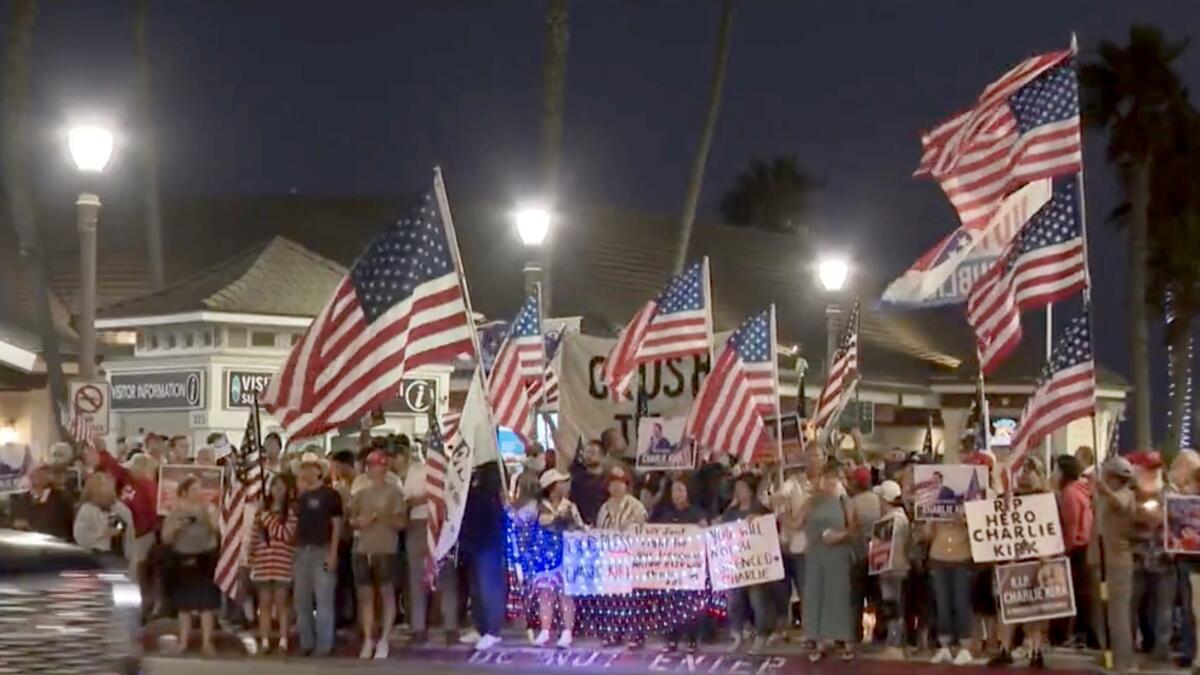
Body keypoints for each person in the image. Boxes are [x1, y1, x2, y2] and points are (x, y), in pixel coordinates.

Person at [991, 458, 1051, 668]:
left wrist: (1048, 559)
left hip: (1037, 562)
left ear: (1040, 475)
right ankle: (1004, 648)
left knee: (1034, 608)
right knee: (1006, 608)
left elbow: (1054, 533)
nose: (1025, 475)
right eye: (1022, 471)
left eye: (1030, 470)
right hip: (1009, 562)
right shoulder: (1004, 500)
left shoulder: (1046, 501)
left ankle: (1036, 650)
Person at [350, 450, 406, 659]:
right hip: (363, 548)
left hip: (386, 548)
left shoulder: (394, 492)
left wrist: (381, 517)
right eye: (371, 465)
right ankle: (368, 639)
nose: (374, 468)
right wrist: (359, 522)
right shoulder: (361, 494)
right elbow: (351, 519)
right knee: (365, 596)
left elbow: (401, 523)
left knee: (386, 593)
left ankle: (384, 639)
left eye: (378, 465)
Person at [800, 459, 857, 662]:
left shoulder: (844, 500)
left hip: (837, 554)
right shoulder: (811, 502)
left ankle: (843, 639)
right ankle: (817, 639)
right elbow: (796, 522)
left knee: (838, 595)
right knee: (815, 595)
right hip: (815, 554)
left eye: (837, 479)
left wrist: (839, 536)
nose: (832, 483)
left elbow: (853, 529)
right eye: (828, 479)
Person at [162, 475, 222, 656]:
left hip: (205, 558)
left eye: (200, 488)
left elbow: (217, 533)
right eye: (194, 489)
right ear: (184, 492)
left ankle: (207, 643)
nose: (199, 492)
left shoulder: (209, 509)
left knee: (206, 604)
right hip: (182, 557)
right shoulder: (175, 512)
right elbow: (165, 538)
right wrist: (175, 527)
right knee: (184, 605)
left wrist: (212, 520)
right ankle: (183, 642)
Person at [1089, 456, 1138, 673]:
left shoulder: (1127, 496)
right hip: (1100, 560)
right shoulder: (1103, 498)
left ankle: (1123, 660)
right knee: (1103, 611)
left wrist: (1104, 491)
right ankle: (1106, 652)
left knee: (1119, 613)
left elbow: (1120, 505)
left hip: (1118, 561)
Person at [293, 452, 343, 657]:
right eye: (304, 468)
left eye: (311, 467)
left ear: (319, 470)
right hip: (302, 550)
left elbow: (337, 525)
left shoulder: (331, 495)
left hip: (322, 549)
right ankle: (306, 641)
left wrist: (333, 552)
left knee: (323, 599)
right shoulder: (301, 497)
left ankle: (324, 644)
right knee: (301, 599)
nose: (307, 471)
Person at [653, 478, 709, 653]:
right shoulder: (666, 515)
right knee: (671, 605)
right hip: (671, 568)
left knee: (691, 604)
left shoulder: (697, 513)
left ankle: (692, 638)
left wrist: (703, 528)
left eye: (680, 490)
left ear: (687, 493)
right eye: (674, 491)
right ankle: (672, 639)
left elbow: (705, 535)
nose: (677, 495)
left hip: (691, 567)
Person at [1127, 451, 1173, 663]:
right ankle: (1128, 646)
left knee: (1163, 607)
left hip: (1163, 560)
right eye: (1148, 468)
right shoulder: (1129, 494)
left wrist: (1164, 521)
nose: (1153, 472)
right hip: (1136, 557)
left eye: (1156, 468)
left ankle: (1160, 648)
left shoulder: (1170, 493)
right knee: (1132, 605)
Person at [925, 474, 975, 665]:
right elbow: (927, 536)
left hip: (961, 559)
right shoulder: (935, 510)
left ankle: (964, 646)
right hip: (938, 558)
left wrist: (962, 520)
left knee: (961, 603)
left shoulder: (966, 512)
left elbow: (977, 531)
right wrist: (930, 520)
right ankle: (944, 645)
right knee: (942, 603)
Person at [531, 468, 583, 648]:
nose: (565, 485)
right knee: (545, 594)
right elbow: (526, 521)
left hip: (565, 556)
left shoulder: (569, 507)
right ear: (552, 486)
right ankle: (545, 630)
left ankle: (567, 631)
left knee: (565, 594)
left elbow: (579, 527)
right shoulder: (537, 506)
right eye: (561, 482)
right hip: (544, 557)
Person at [724, 474, 775, 653]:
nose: (739, 492)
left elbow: (772, 528)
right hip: (736, 564)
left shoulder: (761, 510)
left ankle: (761, 635)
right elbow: (721, 531)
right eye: (736, 488)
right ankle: (737, 634)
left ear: (751, 490)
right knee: (734, 600)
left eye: (742, 488)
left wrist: (760, 520)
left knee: (758, 600)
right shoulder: (731, 512)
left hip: (756, 565)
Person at [251, 473, 298, 654]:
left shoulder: (291, 512)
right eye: (274, 486)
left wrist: (267, 519)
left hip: (282, 563)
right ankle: (264, 640)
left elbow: (285, 535)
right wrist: (251, 557)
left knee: (281, 603)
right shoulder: (262, 512)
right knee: (264, 604)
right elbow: (255, 537)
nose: (277, 490)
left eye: (281, 486)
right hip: (263, 563)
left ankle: (283, 640)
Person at [1056, 454, 1094, 648]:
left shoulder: (1070, 492)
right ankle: (1081, 633)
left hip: (1076, 548)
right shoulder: (1082, 490)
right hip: (1085, 546)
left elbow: (1071, 523)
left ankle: (1072, 634)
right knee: (1081, 592)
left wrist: (1065, 549)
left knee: (1074, 593)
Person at [874, 480, 910, 660]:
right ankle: (895, 641)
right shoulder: (901, 516)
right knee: (895, 606)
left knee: (892, 606)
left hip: (891, 568)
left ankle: (894, 644)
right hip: (898, 567)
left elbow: (885, 547)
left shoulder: (891, 519)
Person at [847, 466, 881, 645]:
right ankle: (879, 635)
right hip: (878, 554)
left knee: (856, 598)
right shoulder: (878, 500)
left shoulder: (852, 503)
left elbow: (849, 529)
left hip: (858, 554)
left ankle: (855, 634)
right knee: (877, 597)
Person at [73, 472, 133, 557]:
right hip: (91, 555)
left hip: (110, 555)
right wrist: (105, 532)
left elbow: (122, 524)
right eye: (107, 487)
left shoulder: (109, 509)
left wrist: (117, 528)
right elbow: (81, 535)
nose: (111, 491)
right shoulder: (87, 509)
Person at [11, 465, 74, 540]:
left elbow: (69, 525)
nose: (32, 478)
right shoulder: (21, 500)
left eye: (36, 475)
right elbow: (13, 523)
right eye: (31, 475)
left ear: (48, 478)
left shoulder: (61, 499)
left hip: (56, 545)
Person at [568, 441, 609, 526]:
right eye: (586, 452)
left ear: (603, 456)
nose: (588, 456)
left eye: (593, 452)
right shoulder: (577, 479)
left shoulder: (609, 480)